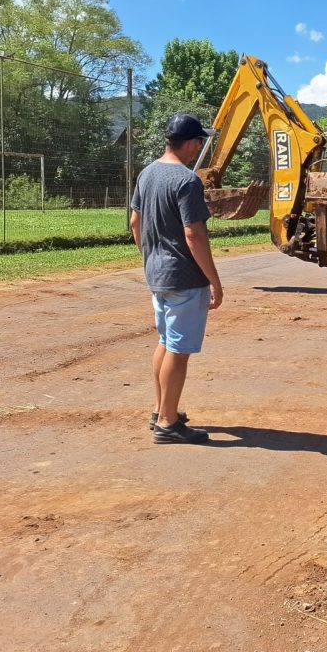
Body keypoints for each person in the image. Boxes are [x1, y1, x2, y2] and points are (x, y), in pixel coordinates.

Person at [129, 113, 223, 445]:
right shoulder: (187, 180)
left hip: (157, 275)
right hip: (184, 276)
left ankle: (161, 410)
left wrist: (150, 257)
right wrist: (214, 279)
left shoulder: (147, 174)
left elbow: (134, 223)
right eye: (200, 142)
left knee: (165, 343)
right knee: (178, 350)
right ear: (192, 143)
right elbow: (193, 234)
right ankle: (168, 424)